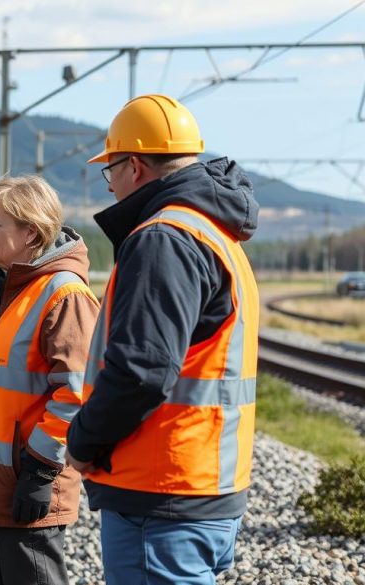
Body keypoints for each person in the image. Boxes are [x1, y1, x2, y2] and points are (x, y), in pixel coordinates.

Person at [65, 94, 260, 585]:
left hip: (163, 490)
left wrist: (84, 439)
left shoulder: (163, 238)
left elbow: (141, 373)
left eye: (109, 173)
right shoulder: (215, 230)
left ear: (134, 166)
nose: (110, 188)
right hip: (200, 484)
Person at [0, 175, 99, 585]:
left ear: (30, 232)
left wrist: (41, 472)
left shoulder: (65, 295)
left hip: (25, 495)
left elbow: (75, 395)